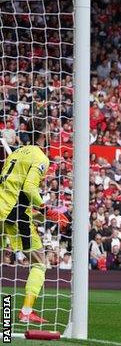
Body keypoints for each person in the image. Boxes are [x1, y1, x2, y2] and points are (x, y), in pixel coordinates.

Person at [0, 123, 68, 323]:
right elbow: (29, 188)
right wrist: (48, 209)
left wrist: (42, 214)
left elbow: (15, 189)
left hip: (4, 208)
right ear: (43, 138)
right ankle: (26, 312)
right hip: (14, 215)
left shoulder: (17, 153)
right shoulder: (41, 158)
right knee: (39, 264)